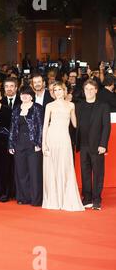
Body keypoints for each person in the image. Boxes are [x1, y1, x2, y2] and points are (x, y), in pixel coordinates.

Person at [41, 82, 84, 211]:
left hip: (65, 139)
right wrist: (44, 144)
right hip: (51, 138)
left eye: (60, 89)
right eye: (55, 90)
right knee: (52, 168)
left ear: (65, 91)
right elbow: (45, 126)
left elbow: (75, 124)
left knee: (66, 167)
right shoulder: (49, 106)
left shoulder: (71, 105)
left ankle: (66, 199)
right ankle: (53, 199)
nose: (58, 92)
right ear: (53, 92)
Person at [75, 80, 111, 211]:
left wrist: (103, 144)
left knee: (98, 173)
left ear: (96, 90)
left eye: (91, 89)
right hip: (83, 145)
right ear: (83, 91)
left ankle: (97, 199)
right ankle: (87, 198)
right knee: (85, 173)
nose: (89, 91)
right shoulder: (79, 106)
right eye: (86, 89)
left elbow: (106, 127)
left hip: (97, 146)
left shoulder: (103, 106)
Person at [9, 86, 44, 206]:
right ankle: (23, 197)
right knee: (21, 172)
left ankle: (36, 199)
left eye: (27, 94)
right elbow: (13, 128)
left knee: (35, 172)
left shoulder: (37, 108)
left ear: (31, 96)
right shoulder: (16, 109)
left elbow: (40, 126)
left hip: (33, 144)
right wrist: (11, 144)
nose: (25, 96)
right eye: (23, 94)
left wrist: (38, 143)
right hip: (19, 144)